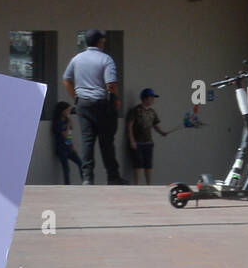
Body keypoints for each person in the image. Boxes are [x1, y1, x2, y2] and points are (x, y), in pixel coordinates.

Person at [63, 29, 125, 185]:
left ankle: (87, 178)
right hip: (101, 105)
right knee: (106, 142)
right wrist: (116, 99)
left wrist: (76, 98)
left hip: (83, 105)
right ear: (100, 41)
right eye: (103, 40)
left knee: (87, 141)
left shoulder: (77, 59)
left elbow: (66, 79)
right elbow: (110, 85)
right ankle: (112, 176)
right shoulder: (106, 59)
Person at [126, 88, 170, 185]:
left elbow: (155, 125)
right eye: (152, 97)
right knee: (138, 164)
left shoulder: (152, 112)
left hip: (148, 142)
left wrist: (162, 132)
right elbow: (130, 126)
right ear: (145, 98)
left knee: (148, 165)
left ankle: (149, 185)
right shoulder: (136, 110)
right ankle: (136, 185)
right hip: (137, 142)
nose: (153, 100)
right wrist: (132, 140)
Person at [51, 101, 84, 185]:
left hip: (68, 148)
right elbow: (64, 135)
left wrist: (71, 145)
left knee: (81, 164)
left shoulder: (66, 120)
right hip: (61, 148)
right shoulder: (58, 122)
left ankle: (84, 181)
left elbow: (69, 135)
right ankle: (67, 185)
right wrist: (69, 125)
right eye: (67, 110)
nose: (68, 113)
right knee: (66, 168)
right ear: (62, 111)